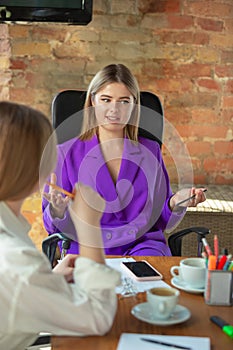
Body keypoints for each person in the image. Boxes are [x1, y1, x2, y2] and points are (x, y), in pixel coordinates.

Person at [43, 63, 206, 257]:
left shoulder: (150, 151)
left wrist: (176, 203)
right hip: (87, 245)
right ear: (93, 101)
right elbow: (52, 229)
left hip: (142, 246)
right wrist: (57, 211)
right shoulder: (63, 154)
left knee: (151, 280)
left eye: (124, 101)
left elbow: (160, 220)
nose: (114, 109)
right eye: (106, 99)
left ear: (134, 105)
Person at [0, 101, 120, 350]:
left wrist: (49, 281)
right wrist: (88, 226)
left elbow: (13, 293)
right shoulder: (17, 263)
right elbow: (96, 318)